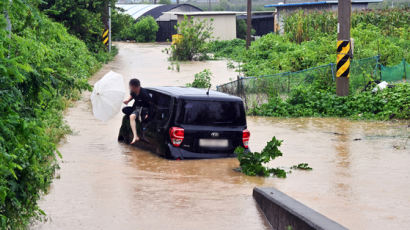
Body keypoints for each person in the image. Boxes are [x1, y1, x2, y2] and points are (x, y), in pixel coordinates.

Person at [123, 78, 152, 144]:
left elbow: (151, 104)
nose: (129, 88)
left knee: (142, 119)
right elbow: (132, 96)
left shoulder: (144, 94)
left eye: (130, 86)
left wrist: (148, 114)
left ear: (135, 87)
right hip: (137, 108)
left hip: (145, 109)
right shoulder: (133, 91)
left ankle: (142, 134)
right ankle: (135, 136)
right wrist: (128, 100)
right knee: (131, 116)